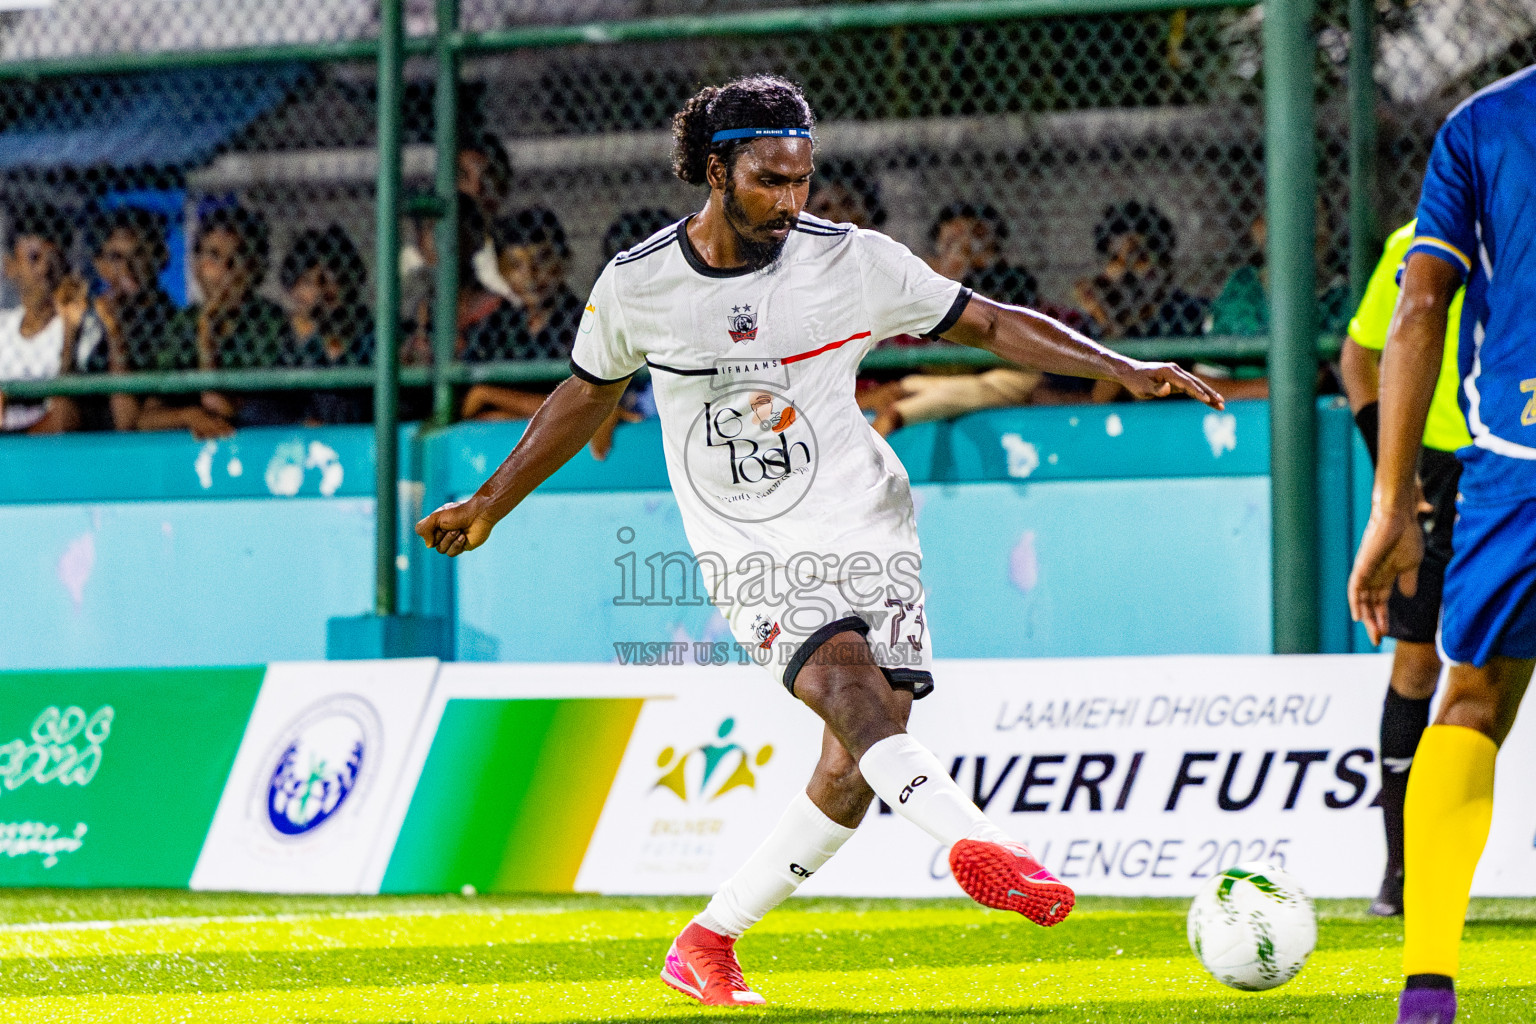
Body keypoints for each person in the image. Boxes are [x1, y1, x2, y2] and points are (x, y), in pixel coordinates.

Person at [415, 74, 1224, 1007]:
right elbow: (586, 393)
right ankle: (980, 844)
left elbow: (990, 322)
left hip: (868, 521)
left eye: (802, 179)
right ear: (715, 170)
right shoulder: (639, 284)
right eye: (769, 180)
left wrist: (1120, 366)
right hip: (749, 545)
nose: (791, 199)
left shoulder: (854, 261)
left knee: (853, 765)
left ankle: (708, 940)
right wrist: (491, 501)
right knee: (845, 687)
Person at [1348, 65, 1536, 1024]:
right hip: (1497, 464)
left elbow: (1419, 311)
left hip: (1517, 461)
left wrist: (1392, 505)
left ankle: (1428, 985)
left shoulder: (1483, 125)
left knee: (1468, 703)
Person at [1340, 219, 1470, 922]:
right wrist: (1399, 470)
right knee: (1416, 665)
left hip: (1514, 461)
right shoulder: (1412, 240)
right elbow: (1357, 358)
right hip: (1443, 473)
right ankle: (1402, 870)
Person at [143, 205, 290, 435]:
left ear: (256, 268)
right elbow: (147, 418)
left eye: (238, 257)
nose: (225, 269)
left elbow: (221, 407)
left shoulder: (272, 322)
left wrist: (206, 334)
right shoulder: (182, 322)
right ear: (197, 266)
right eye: (213, 255)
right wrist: (189, 415)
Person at [0, 201, 99, 434]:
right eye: (34, 258)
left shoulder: (84, 325)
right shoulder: (2, 326)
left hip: (51, 452)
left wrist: (69, 333)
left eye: (52, 260)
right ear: (11, 267)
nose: (44, 270)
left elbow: (64, 420)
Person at [83, 207, 180, 431]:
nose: (127, 268)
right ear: (100, 266)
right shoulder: (86, 319)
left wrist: (115, 330)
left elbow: (128, 421)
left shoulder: (173, 324)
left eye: (138, 255)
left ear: (161, 257)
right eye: (116, 257)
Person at [278, 224, 374, 425]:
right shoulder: (285, 344)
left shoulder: (374, 338)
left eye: (331, 276)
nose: (322, 290)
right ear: (292, 290)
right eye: (307, 281)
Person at [1073, 199, 1206, 340]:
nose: (1124, 270)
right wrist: (1104, 321)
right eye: (1115, 259)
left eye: (1138, 257)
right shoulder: (1091, 325)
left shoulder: (1190, 315)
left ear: (1163, 262)